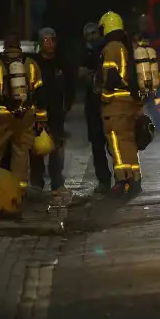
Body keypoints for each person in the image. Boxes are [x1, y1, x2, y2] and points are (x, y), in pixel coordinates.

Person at [0, 31, 47, 188]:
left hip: (2, 116)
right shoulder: (31, 64)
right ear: (19, 45)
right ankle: (20, 189)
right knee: (21, 152)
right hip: (25, 114)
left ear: (5, 46)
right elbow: (39, 94)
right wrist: (41, 118)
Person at [96, 11, 144, 195]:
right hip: (128, 101)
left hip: (115, 103)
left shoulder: (111, 48)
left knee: (115, 142)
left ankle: (122, 179)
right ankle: (135, 178)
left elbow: (110, 78)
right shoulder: (126, 46)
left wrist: (101, 88)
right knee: (128, 141)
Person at [29, 27, 74, 192]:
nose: (49, 43)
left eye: (52, 40)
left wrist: (66, 105)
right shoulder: (35, 63)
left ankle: (56, 179)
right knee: (37, 148)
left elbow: (70, 85)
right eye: (46, 40)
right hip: (39, 112)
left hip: (56, 112)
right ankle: (37, 181)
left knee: (57, 147)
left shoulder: (61, 62)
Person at [80, 21, 112, 194]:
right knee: (97, 146)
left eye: (94, 33)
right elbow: (80, 74)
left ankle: (123, 178)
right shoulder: (85, 54)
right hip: (93, 106)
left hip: (108, 104)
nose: (91, 37)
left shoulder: (107, 51)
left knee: (113, 144)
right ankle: (104, 181)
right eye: (88, 35)